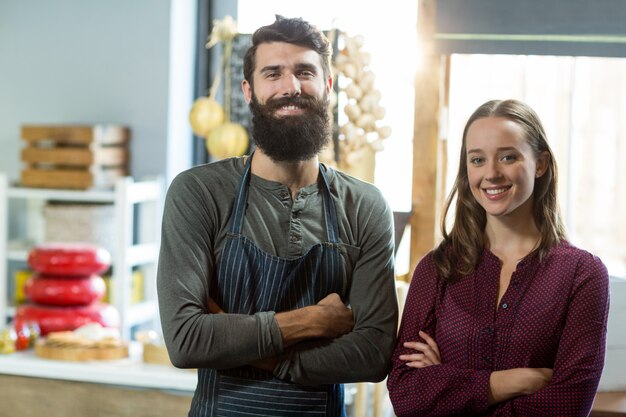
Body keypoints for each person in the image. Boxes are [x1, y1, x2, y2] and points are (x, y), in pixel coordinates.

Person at [157, 15, 398, 417]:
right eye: (273, 74)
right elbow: (185, 340)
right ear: (248, 91)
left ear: (328, 86)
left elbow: (373, 353)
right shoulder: (199, 193)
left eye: (305, 72)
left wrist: (267, 354)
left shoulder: (365, 206)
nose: (291, 87)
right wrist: (312, 321)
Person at [387, 99, 610, 416]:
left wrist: (446, 387)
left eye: (508, 157)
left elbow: (567, 406)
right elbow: (406, 396)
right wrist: (509, 383)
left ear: (541, 163)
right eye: (477, 160)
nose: (491, 173)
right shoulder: (436, 269)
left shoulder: (583, 274)